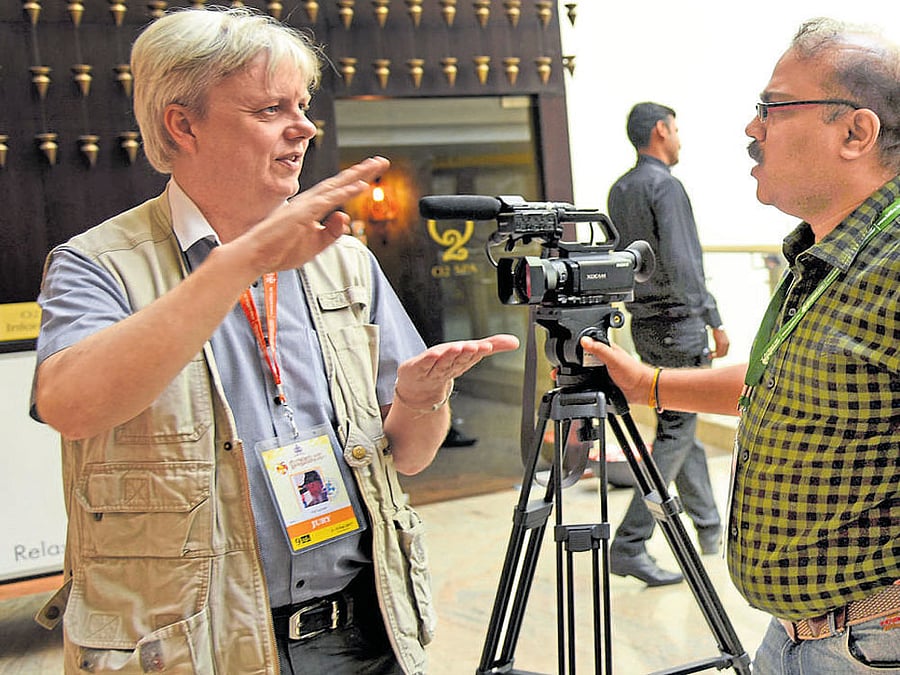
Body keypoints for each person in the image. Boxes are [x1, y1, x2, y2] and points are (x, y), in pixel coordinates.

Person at [29, 7, 518, 674]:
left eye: (303, 104)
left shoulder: (341, 259)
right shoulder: (99, 263)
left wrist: (422, 398)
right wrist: (240, 262)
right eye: (269, 109)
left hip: (361, 633)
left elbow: (406, 456)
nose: (304, 127)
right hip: (190, 650)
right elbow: (70, 404)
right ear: (183, 123)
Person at [583, 17, 899, 674]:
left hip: (870, 642)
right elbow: (785, 381)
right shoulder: (823, 253)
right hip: (796, 637)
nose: (752, 129)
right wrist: (647, 384)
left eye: (772, 108)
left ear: (856, 132)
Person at [605, 102, 730, 586]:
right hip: (680, 325)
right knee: (677, 432)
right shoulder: (666, 186)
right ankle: (630, 543)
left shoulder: (620, 189)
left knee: (681, 424)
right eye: (676, 129)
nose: (679, 138)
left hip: (645, 327)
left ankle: (709, 528)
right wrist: (713, 318)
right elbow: (683, 262)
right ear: (660, 131)